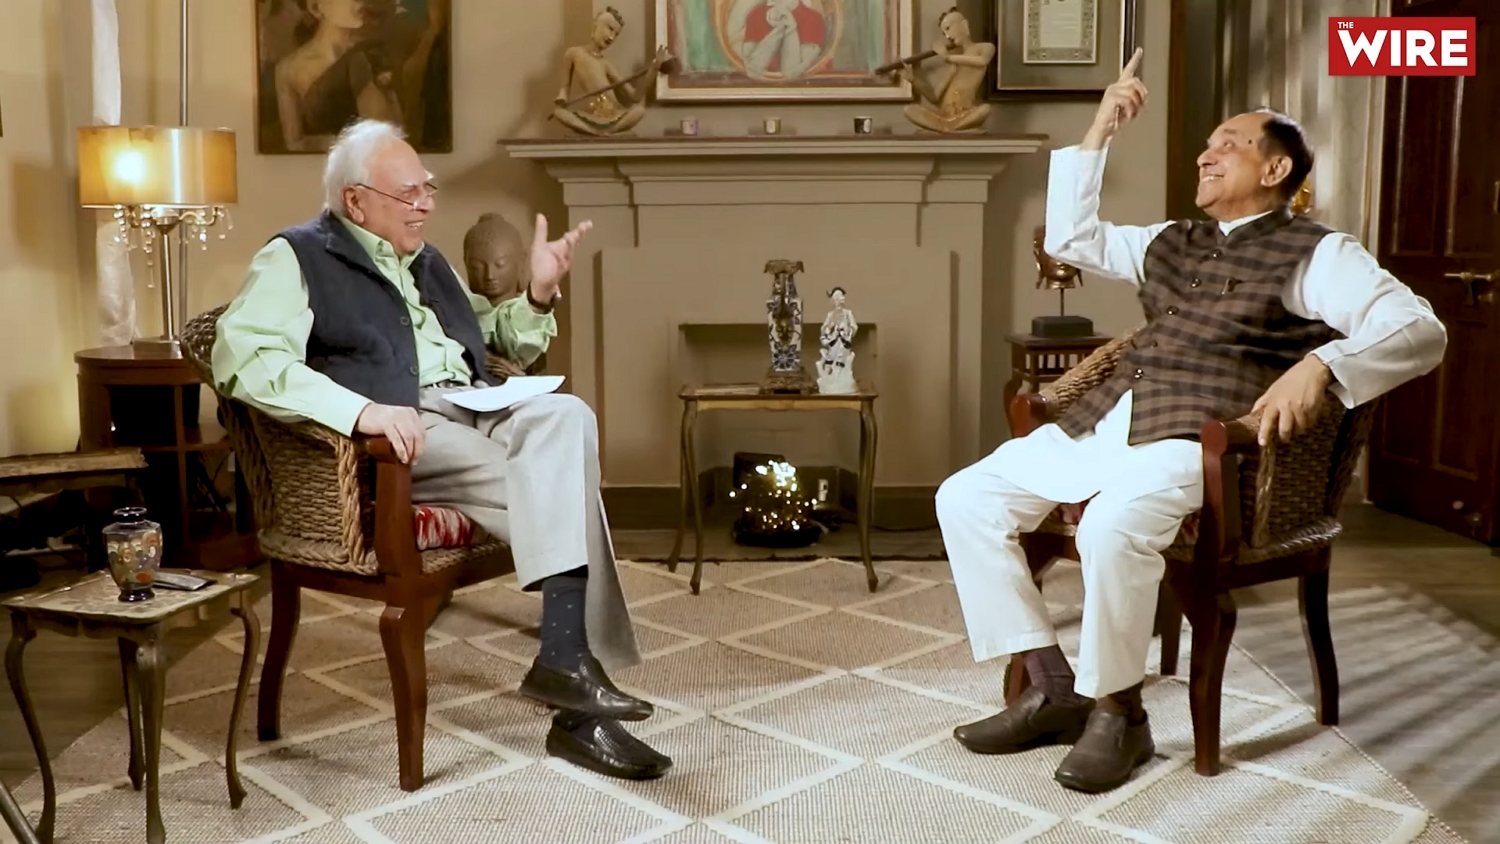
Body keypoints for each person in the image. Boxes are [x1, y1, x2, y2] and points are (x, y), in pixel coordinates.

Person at [935, 47, 1447, 794]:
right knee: (965, 498)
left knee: (1111, 527)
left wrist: (1321, 365)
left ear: (1275, 169)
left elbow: (1420, 329)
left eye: (1229, 145)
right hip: (1107, 423)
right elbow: (1072, 240)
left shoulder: (1317, 253)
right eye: (1207, 145)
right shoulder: (1172, 240)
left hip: (1198, 440)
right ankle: (1051, 687)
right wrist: (1100, 129)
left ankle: (1121, 714)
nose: (1207, 155)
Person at [210, 118, 672, 781]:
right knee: (557, 485)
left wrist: (538, 292)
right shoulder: (297, 256)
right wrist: (362, 410)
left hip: (474, 401)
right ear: (355, 201)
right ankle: (575, 698)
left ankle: (565, 664)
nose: (426, 204)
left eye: (427, 188)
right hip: (401, 434)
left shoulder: (425, 261)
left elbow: (487, 338)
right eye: (409, 193)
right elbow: (242, 357)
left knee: (566, 416)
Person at [892, 8, 993, 133]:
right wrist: (913, 79)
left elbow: (983, 61)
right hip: (944, 117)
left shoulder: (984, 48)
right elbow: (935, 97)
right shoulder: (953, 63)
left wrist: (948, 57)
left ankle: (949, 128)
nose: (947, 36)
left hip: (965, 115)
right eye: (944, 33)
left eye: (948, 28)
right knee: (909, 110)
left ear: (964, 25)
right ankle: (949, 128)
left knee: (985, 109)